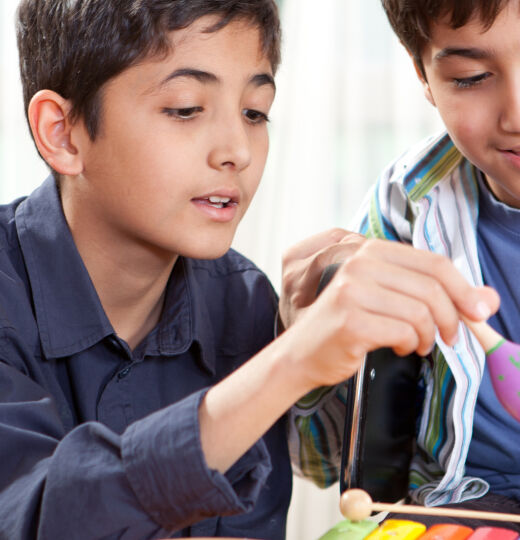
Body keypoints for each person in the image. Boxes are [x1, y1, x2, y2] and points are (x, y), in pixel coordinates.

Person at [0, 0, 499, 538]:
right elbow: (36, 517)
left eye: (255, 112)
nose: (238, 150)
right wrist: (290, 364)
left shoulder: (243, 304)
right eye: (186, 109)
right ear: (63, 132)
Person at [290, 0, 520, 529]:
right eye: (472, 77)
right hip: (448, 508)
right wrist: (303, 340)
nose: (515, 113)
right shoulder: (407, 204)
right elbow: (323, 464)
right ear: (423, 75)